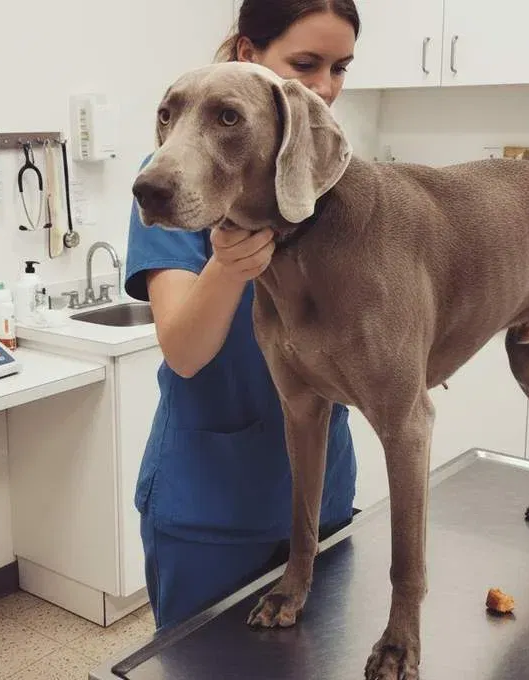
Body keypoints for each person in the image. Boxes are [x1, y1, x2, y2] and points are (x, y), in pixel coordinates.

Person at [122, 0, 362, 630]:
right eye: (304, 64)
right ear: (250, 57)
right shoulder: (170, 186)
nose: (324, 87)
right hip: (211, 507)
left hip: (323, 498)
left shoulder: (334, 188)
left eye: (340, 67)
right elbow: (184, 349)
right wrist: (229, 265)